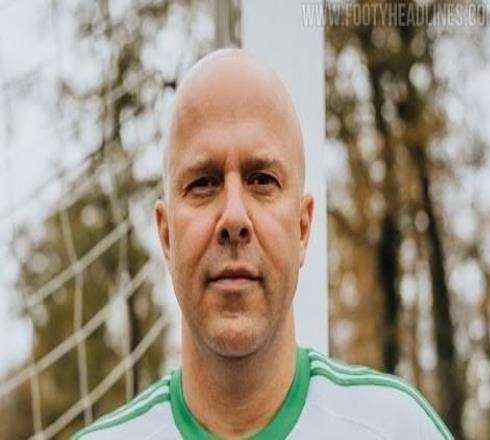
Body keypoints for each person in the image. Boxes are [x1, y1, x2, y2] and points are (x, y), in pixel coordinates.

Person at [73, 49, 453, 440]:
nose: (234, 218)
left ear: (302, 228)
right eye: (203, 183)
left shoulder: (400, 428)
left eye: (261, 180)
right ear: (167, 235)